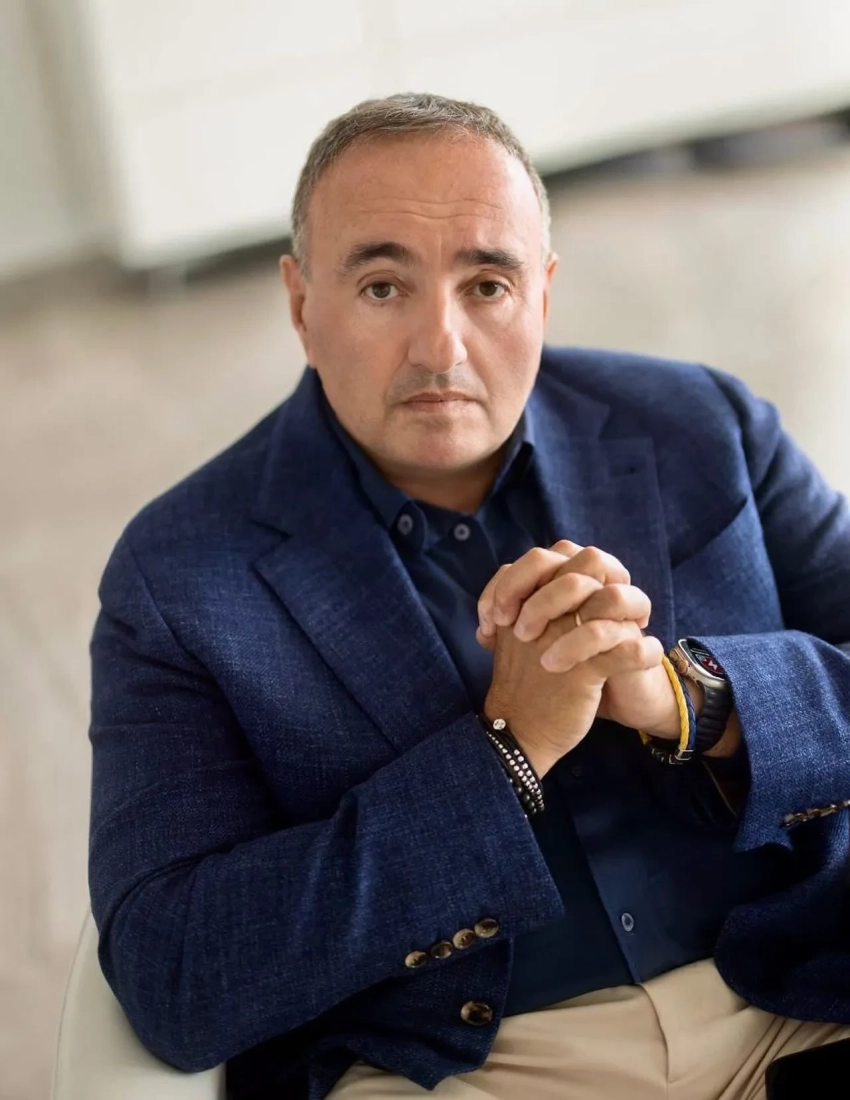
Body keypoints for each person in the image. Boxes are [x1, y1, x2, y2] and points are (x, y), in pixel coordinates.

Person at [88, 93, 850, 1100]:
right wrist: (506, 754)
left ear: (543, 293)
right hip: (462, 1067)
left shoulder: (702, 423)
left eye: (487, 284)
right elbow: (177, 973)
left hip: (801, 987)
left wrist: (692, 698)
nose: (439, 347)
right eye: (382, 287)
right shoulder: (177, 573)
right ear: (300, 303)